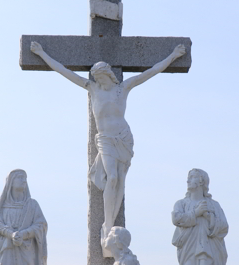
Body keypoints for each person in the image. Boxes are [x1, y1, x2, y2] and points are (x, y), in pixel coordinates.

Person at [31, 40, 186, 252]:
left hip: (122, 137)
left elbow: (151, 71)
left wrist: (174, 57)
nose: (99, 80)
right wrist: (41, 54)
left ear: (108, 74)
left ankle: (111, 224)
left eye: (101, 77)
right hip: (104, 139)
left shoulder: (124, 88)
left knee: (120, 180)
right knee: (111, 177)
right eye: (96, 77)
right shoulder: (92, 88)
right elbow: (64, 71)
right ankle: (108, 224)